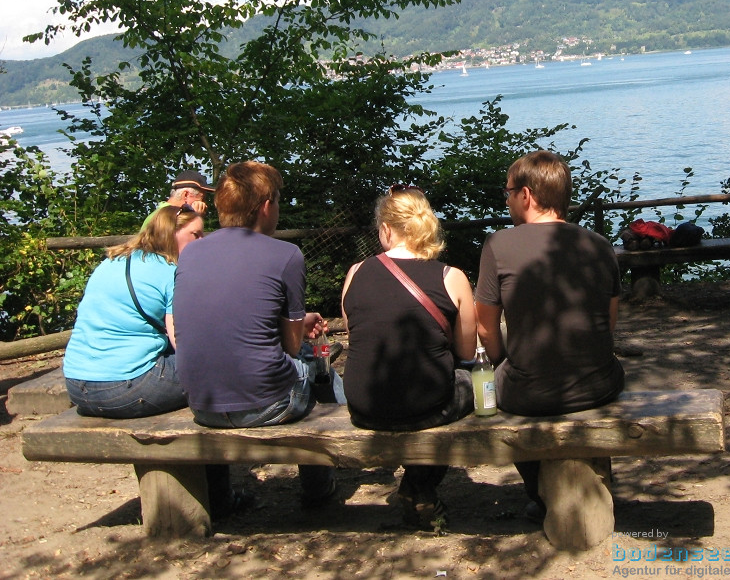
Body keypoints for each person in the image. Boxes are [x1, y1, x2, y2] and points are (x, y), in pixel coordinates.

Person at [173, 161, 342, 506]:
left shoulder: (191, 254)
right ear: (267, 206)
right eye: (278, 202)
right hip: (266, 403)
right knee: (320, 367)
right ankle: (319, 488)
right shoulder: (285, 254)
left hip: (201, 402)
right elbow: (292, 346)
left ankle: (217, 498)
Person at [475, 150, 624, 518]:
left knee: (491, 390)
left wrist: (503, 363)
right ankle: (589, 481)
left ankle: (539, 490)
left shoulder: (498, 245)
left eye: (508, 192)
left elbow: (484, 327)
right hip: (599, 384)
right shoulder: (600, 245)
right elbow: (609, 322)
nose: (507, 199)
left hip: (528, 393)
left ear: (526, 195)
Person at [341, 185, 477, 529]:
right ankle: (420, 484)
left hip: (364, 404)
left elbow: (355, 333)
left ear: (385, 229)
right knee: (465, 382)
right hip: (426, 406)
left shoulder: (356, 272)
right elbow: (465, 352)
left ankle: (418, 485)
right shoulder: (452, 277)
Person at [64, 204, 204, 417]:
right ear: (171, 234)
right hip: (127, 389)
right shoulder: (171, 273)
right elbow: (182, 341)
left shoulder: (111, 261)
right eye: (196, 234)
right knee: (211, 363)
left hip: (76, 386)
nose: (202, 242)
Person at [139, 170, 215, 231]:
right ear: (186, 195)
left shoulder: (162, 213)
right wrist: (194, 218)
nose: (204, 204)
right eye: (202, 198)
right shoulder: (165, 217)